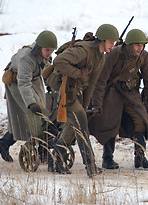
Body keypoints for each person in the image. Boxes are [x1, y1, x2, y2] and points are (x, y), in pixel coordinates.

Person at [46, 24, 119, 177]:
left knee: (72, 127)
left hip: (76, 91)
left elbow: (92, 83)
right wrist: (78, 73)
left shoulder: (101, 57)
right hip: (63, 89)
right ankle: (90, 166)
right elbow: (59, 61)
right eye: (111, 42)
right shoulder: (84, 51)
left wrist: (85, 105)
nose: (113, 45)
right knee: (82, 127)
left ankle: (55, 160)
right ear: (103, 40)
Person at [89, 29, 148, 169]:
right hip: (113, 93)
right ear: (129, 44)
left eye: (142, 45)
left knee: (141, 121)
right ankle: (107, 158)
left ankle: (140, 157)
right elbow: (100, 80)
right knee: (110, 124)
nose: (140, 48)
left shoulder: (143, 56)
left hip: (131, 93)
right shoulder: (115, 54)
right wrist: (97, 103)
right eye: (137, 45)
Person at [0, 30, 57, 162]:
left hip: (33, 80)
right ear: (39, 47)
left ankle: (42, 151)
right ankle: (4, 144)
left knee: (43, 114)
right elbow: (23, 83)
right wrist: (30, 102)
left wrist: (50, 85)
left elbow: (45, 71)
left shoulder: (45, 56)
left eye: (52, 50)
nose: (49, 52)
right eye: (47, 50)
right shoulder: (26, 59)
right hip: (17, 82)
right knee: (30, 116)